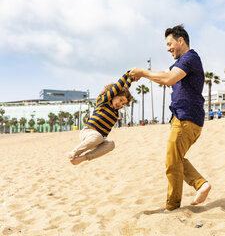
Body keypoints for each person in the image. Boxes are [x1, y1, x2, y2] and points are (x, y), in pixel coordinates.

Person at [129, 25, 211, 211]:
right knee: (175, 159)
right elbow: (167, 76)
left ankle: (173, 206)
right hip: (184, 118)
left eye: (169, 43)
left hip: (186, 118)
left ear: (180, 40)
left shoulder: (190, 58)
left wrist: (143, 72)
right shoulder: (185, 61)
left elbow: (169, 78)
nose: (167, 48)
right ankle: (201, 185)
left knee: (172, 163)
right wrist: (145, 75)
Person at [68, 71, 134, 165]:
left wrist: (131, 79)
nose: (120, 104)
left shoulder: (115, 112)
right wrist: (127, 74)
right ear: (114, 94)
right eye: (120, 100)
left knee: (111, 144)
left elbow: (125, 90)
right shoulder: (104, 101)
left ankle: (82, 158)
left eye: (123, 104)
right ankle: (75, 152)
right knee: (98, 137)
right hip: (88, 132)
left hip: (97, 139)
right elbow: (119, 88)